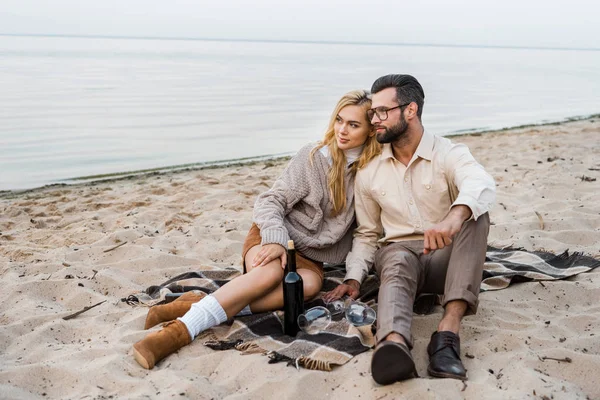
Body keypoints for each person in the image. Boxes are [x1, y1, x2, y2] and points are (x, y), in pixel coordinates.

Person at [132, 90, 381, 369]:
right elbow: (270, 200)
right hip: (272, 234)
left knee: (306, 287)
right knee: (271, 273)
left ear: (371, 131)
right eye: (339, 120)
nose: (341, 130)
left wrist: (355, 277)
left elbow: (365, 233)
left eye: (353, 124)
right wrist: (275, 240)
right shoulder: (313, 157)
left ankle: (195, 304)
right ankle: (178, 331)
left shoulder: (371, 174)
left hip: (308, 254)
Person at [324, 74, 496, 384]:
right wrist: (353, 277)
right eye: (372, 112)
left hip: (448, 258)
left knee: (475, 214)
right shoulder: (369, 173)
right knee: (397, 258)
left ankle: (446, 336)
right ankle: (393, 343)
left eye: (382, 112)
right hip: (399, 257)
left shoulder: (449, 153)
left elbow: (480, 183)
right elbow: (367, 234)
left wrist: (453, 217)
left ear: (410, 110)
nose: (374, 119)